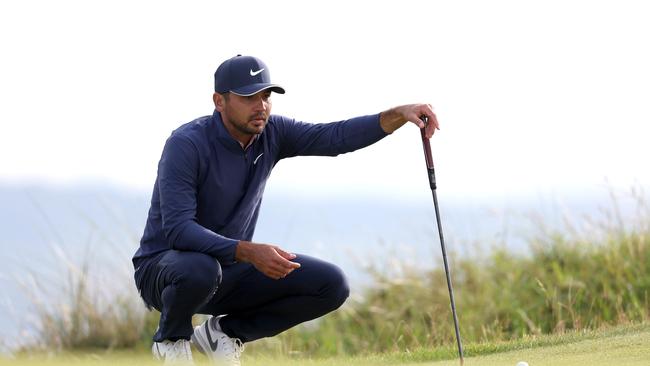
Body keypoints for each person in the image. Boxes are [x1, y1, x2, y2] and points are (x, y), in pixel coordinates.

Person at [132, 54, 439, 365]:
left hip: (228, 269)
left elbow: (335, 137)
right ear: (219, 101)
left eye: (265, 96)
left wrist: (400, 114)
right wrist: (249, 251)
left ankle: (223, 332)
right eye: (249, 97)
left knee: (331, 285)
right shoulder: (186, 144)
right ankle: (171, 338)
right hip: (165, 270)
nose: (261, 105)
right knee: (201, 268)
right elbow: (179, 230)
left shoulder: (272, 133)